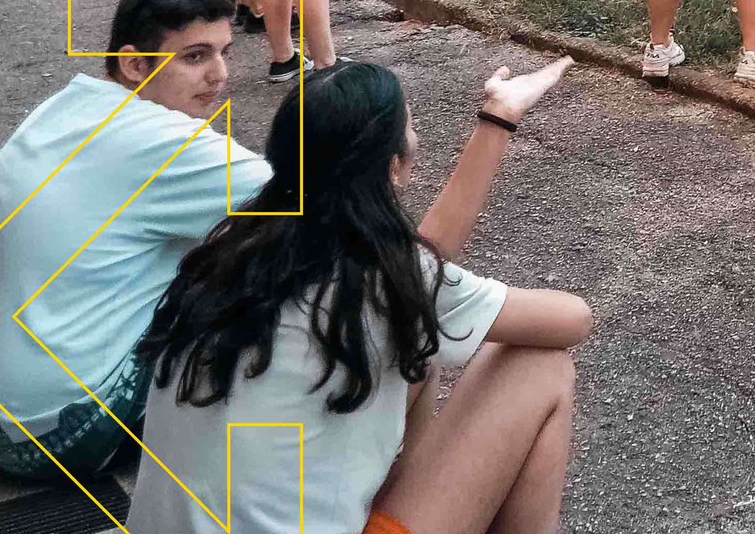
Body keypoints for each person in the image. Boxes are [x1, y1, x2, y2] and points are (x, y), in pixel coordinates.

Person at [131, 58, 589, 534]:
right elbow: (572, 320)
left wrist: (498, 117)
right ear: (393, 167)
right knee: (538, 366)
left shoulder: (231, 246)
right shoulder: (380, 280)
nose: (417, 139)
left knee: (419, 352)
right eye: (410, 129)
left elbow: (413, 285)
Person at [0, 0, 272, 483]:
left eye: (225, 52)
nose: (218, 74)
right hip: (51, 436)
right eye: (195, 57)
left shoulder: (69, 106)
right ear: (135, 65)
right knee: (266, 271)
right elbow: (314, 203)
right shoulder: (164, 143)